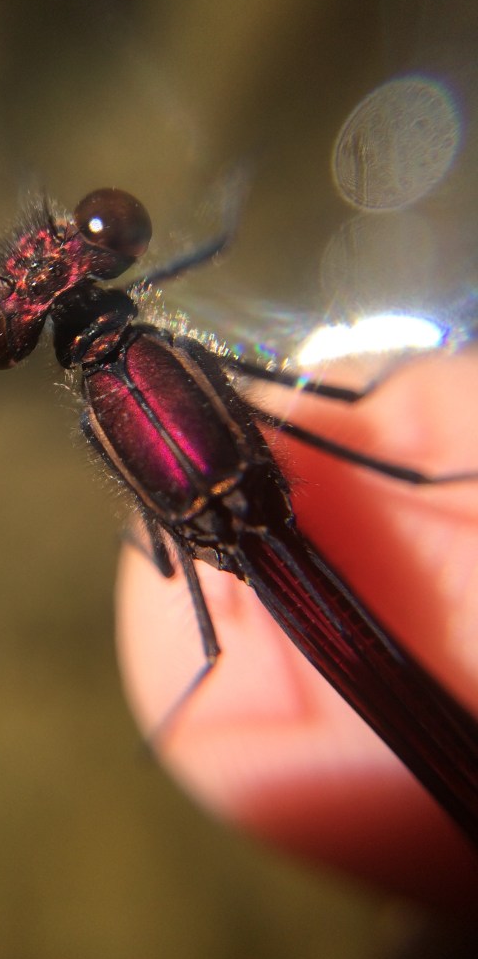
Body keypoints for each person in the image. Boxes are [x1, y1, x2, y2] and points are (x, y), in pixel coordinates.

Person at [116, 351, 478, 910]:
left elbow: (165, 567)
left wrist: (136, 540)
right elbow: (348, 399)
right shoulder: (157, 356)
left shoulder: (105, 417)